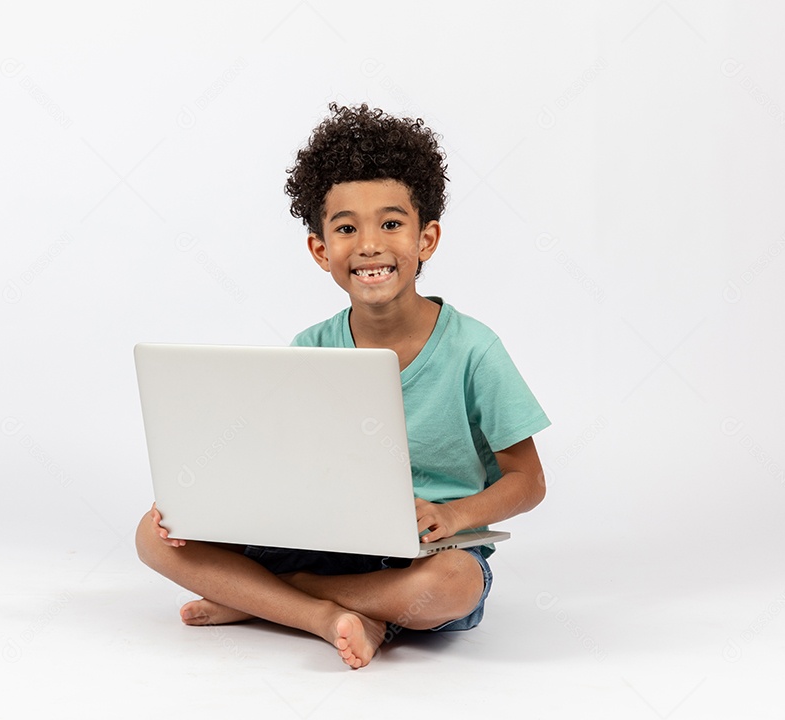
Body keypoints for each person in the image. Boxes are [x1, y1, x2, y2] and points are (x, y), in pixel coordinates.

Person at [135, 103, 550, 669]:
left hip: (425, 554)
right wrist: (198, 505)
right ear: (321, 249)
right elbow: (268, 459)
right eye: (347, 228)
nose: (370, 245)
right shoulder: (311, 348)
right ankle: (323, 616)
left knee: (454, 584)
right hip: (325, 539)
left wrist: (453, 518)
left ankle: (268, 600)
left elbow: (528, 481)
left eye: (392, 223)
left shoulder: (475, 349)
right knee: (152, 535)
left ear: (426, 238)